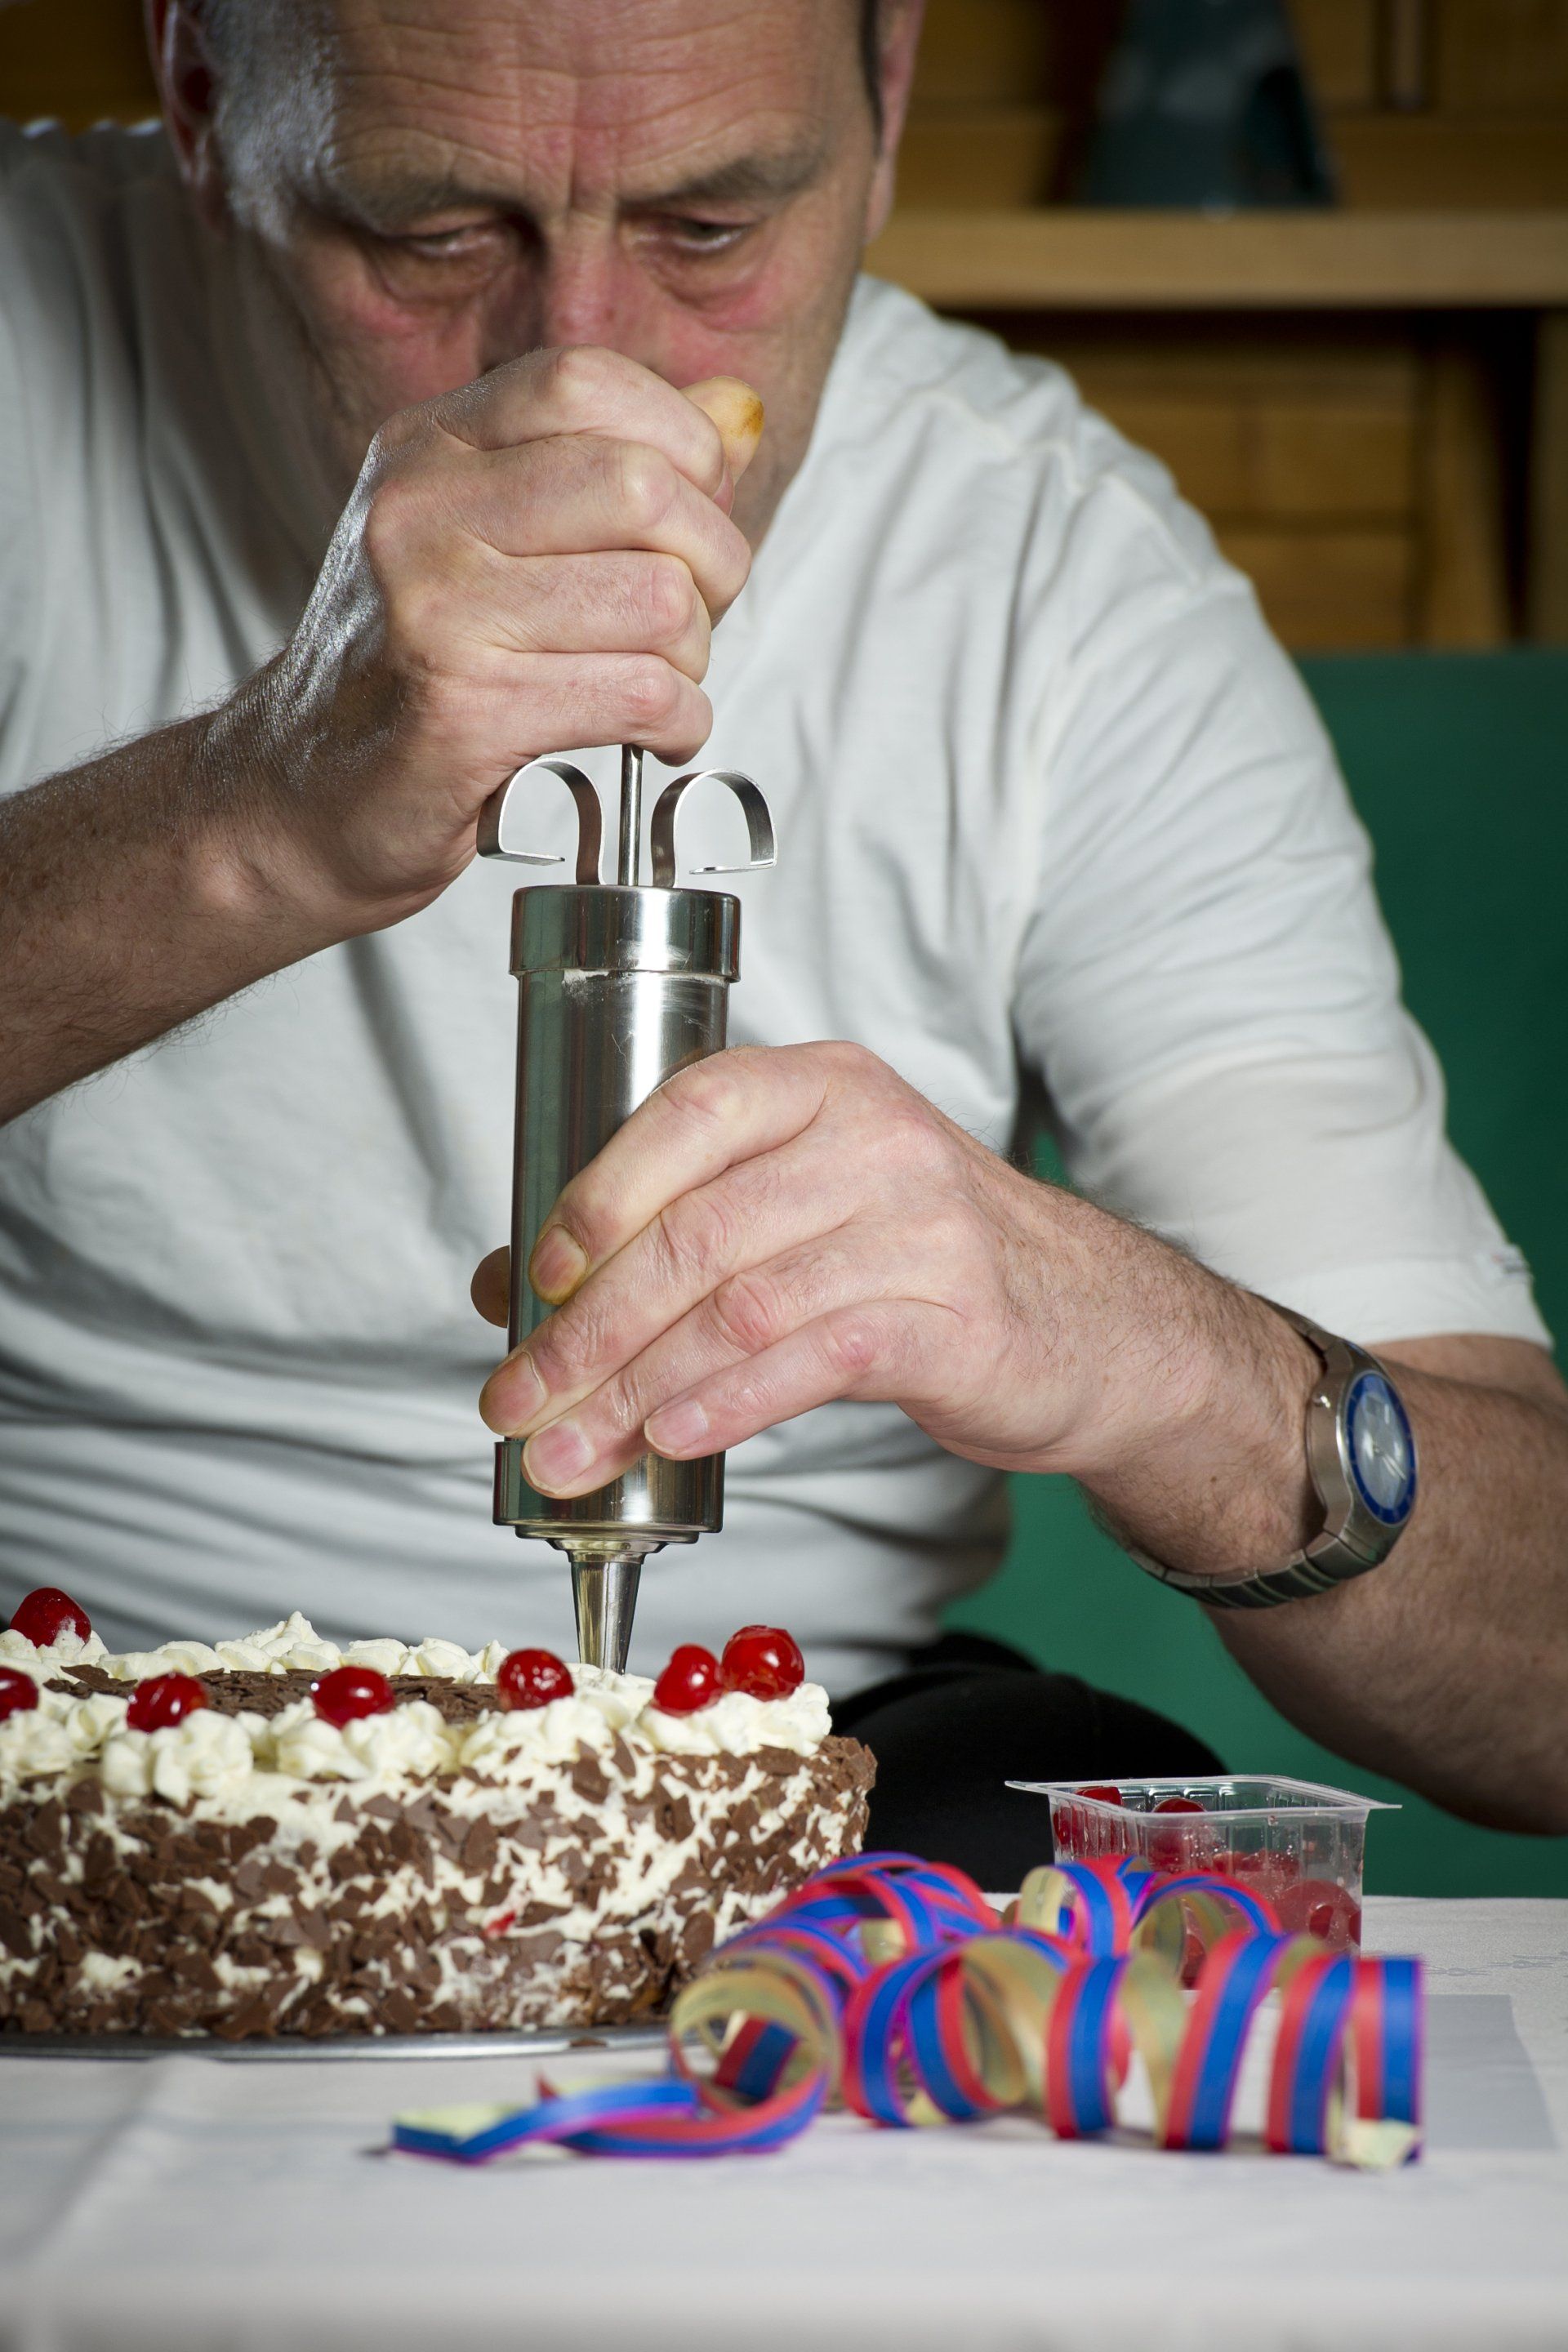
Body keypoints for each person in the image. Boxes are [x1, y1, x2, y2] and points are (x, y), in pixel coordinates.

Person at [1, 0, 1564, 1876]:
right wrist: (240, 820)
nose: (585, 366)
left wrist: (1168, 1364)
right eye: (428, 231)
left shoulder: (1055, 578)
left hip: (806, 1752)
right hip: (82, 1706)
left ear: (886, 97)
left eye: (715, 226)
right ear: (197, 92)